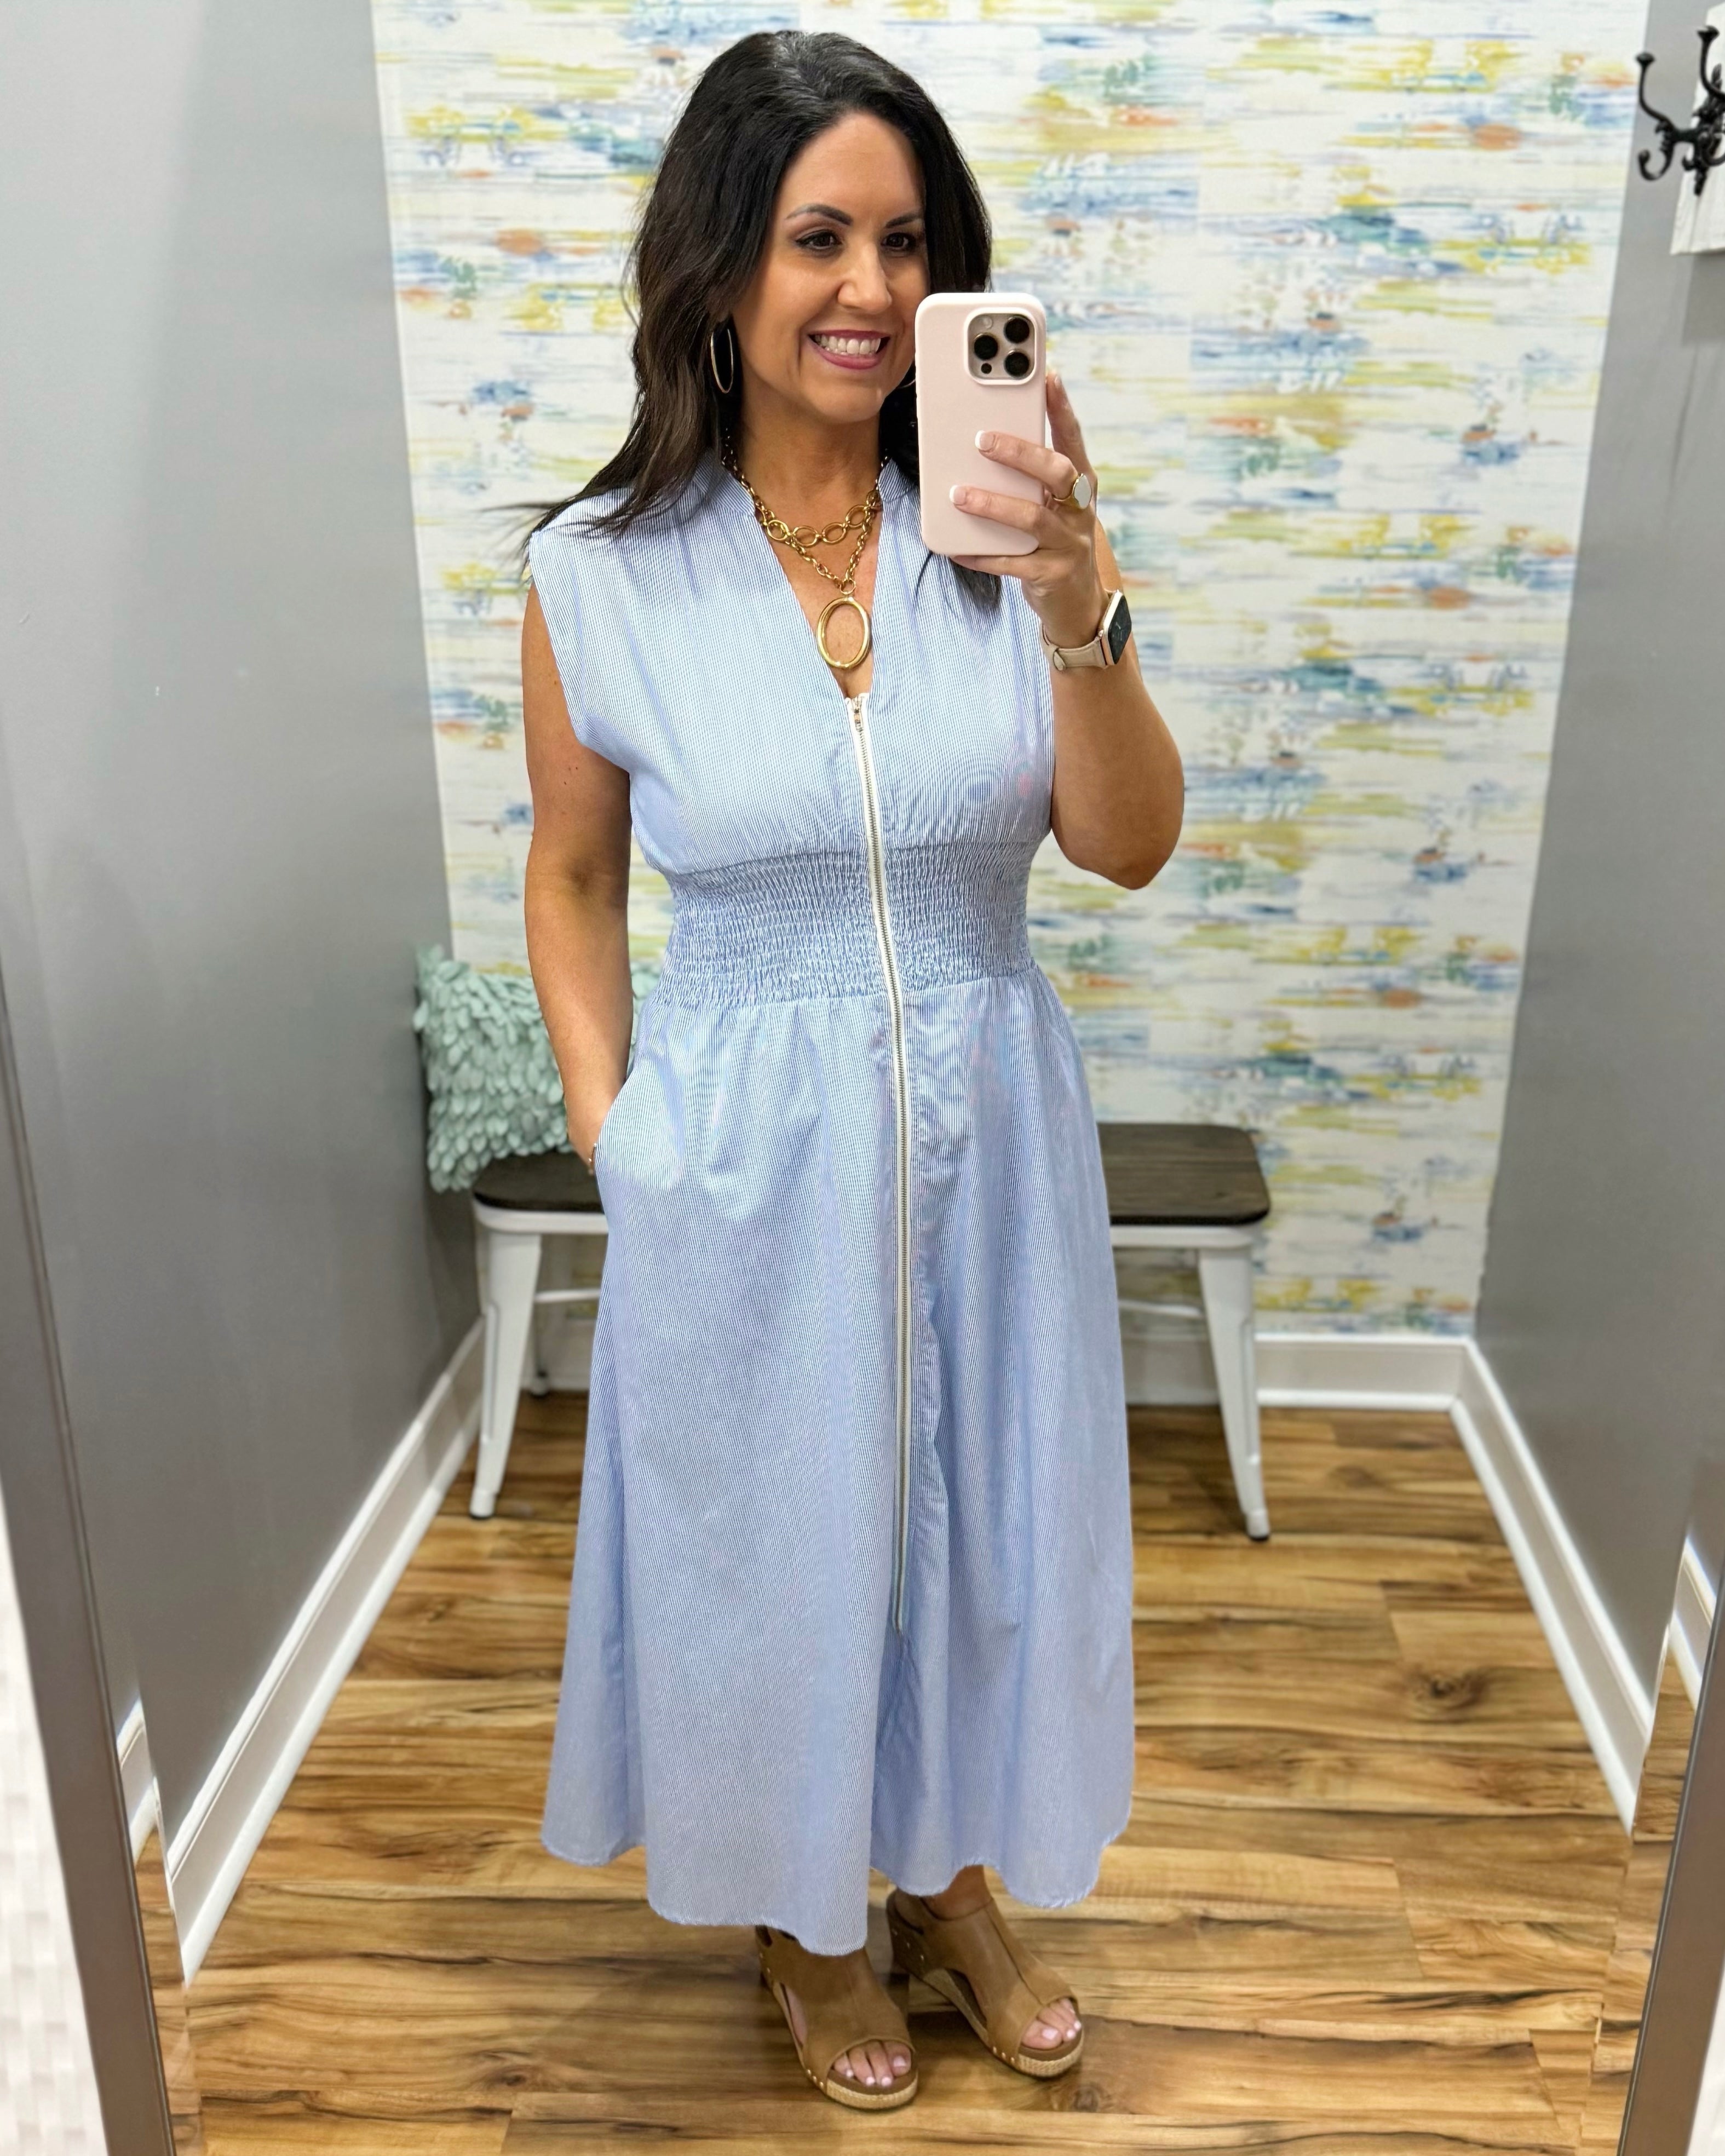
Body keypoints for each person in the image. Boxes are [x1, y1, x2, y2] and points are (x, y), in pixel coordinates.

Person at [519, 27, 1183, 2112]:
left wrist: (1081, 596)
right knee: (780, 1547)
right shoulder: (599, 575)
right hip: (744, 1156)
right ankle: (808, 1921)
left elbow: (1128, 842)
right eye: (820, 238)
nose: (873, 291)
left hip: (993, 1131)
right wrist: (618, 1134)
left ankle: (952, 1882)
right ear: (722, 263)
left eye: (908, 244)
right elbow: (570, 878)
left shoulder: (1000, 538)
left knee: (984, 1527)